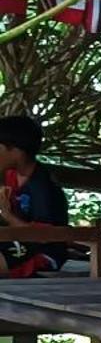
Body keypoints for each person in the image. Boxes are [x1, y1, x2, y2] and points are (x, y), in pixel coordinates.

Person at [0, 113, 69, 275]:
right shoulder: (11, 177)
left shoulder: (42, 186)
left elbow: (44, 236)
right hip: (17, 241)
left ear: (16, 151)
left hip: (43, 251)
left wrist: (7, 215)